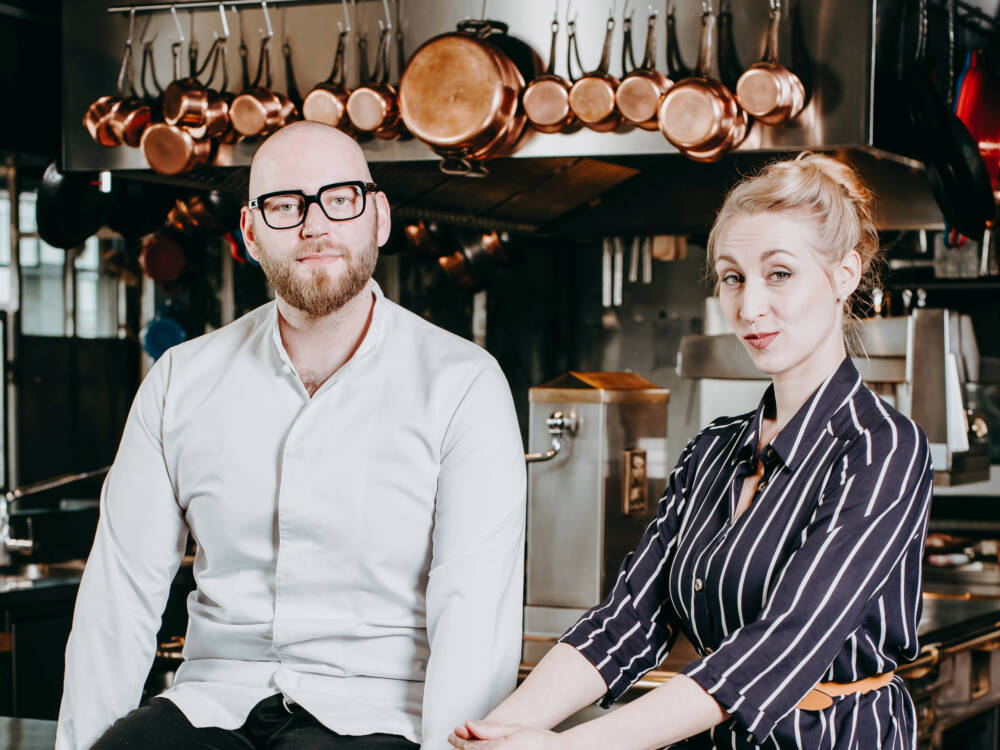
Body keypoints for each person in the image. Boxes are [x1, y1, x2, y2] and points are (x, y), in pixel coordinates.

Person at [56, 121, 526, 750]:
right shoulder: (181, 380)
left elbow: (474, 616)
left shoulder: (463, 383)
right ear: (250, 233)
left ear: (379, 219)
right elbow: (119, 595)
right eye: (284, 205)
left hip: (379, 706)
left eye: (341, 199)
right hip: (213, 700)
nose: (314, 226)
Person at [450, 154, 933, 749]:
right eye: (733, 277)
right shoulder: (712, 451)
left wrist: (571, 747)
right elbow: (625, 622)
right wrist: (497, 731)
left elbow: (783, 644)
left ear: (844, 275)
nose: (750, 307)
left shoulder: (880, 446)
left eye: (779, 273)